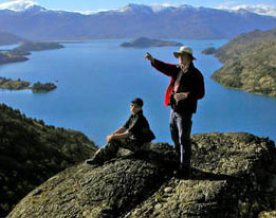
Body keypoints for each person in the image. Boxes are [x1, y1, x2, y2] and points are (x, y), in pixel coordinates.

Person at [144, 46, 205, 177]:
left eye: (181, 56)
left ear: (188, 57)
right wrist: (153, 60)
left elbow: (200, 93)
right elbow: (165, 67)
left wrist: (186, 95)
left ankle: (185, 169)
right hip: (174, 109)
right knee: (175, 137)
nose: (179, 59)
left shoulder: (195, 74)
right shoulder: (178, 70)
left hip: (185, 111)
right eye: (178, 56)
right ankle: (179, 162)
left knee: (184, 139)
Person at [86, 97, 155, 165]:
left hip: (141, 146)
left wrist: (113, 137)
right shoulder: (133, 116)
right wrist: (112, 135)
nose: (133, 107)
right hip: (137, 143)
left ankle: (102, 158)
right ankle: (101, 158)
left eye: (136, 106)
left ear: (140, 108)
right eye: (132, 105)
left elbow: (128, 134)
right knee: (114, 138)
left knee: (116, 139)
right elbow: (124, 127)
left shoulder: (139, 118)